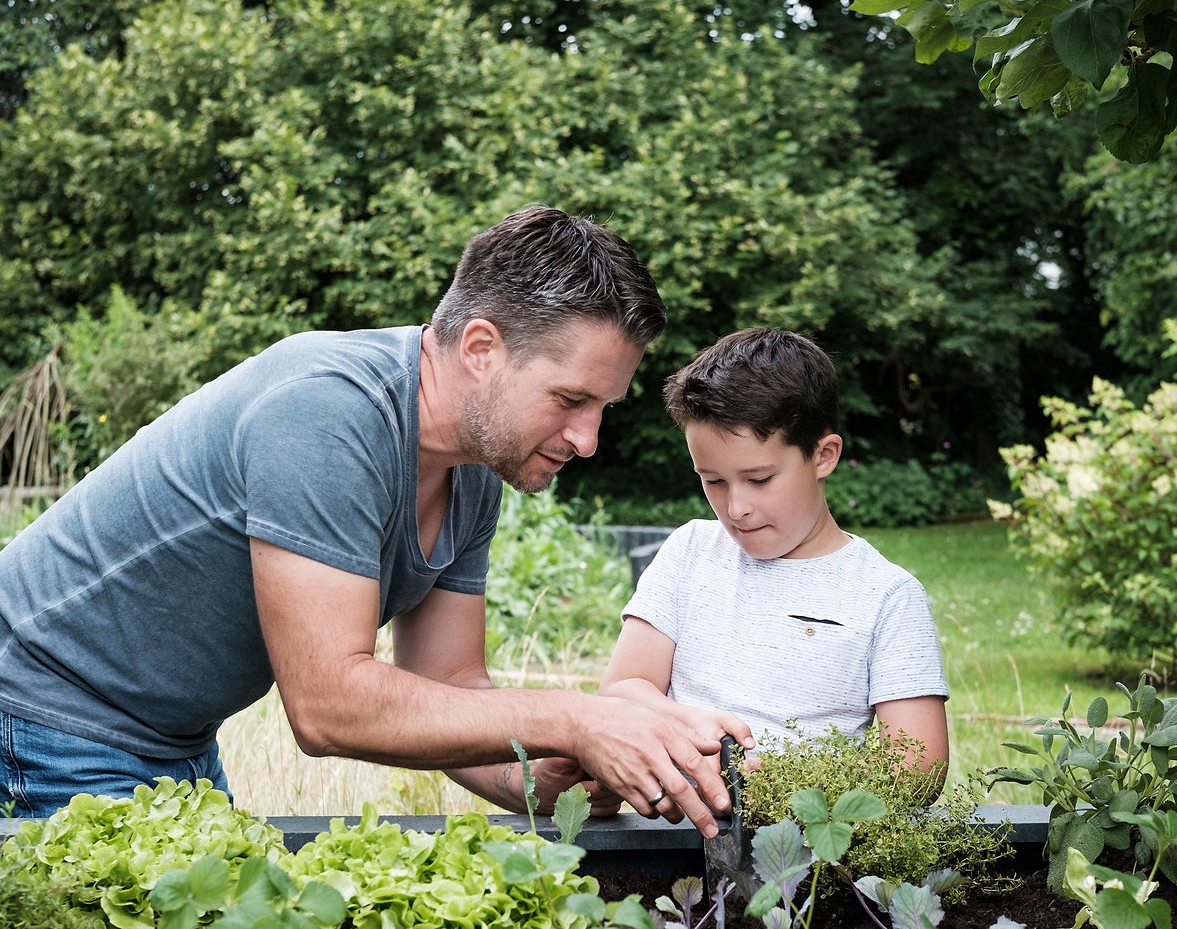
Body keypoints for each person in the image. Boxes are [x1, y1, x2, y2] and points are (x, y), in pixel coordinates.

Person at [0, 206, 750, 829]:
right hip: (43, 707)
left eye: (602, 410)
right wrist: (576, 717)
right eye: (569, 400)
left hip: (170, 738)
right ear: (482, 348)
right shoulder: (327, 414)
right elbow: (329, 704)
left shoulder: (472, 471)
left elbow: (450, 684)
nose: (587, 440)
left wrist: (545, 778)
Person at [598, 326, 950, 784]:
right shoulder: (689, 553)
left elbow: (920, 768)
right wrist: (688, 723)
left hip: (811, 845)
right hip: (674, 839)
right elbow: (623, 689)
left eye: (759, 479)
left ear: (824, 456)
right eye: (713, 480)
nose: (736, 507)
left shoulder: (887, 596)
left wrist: (779, 785)